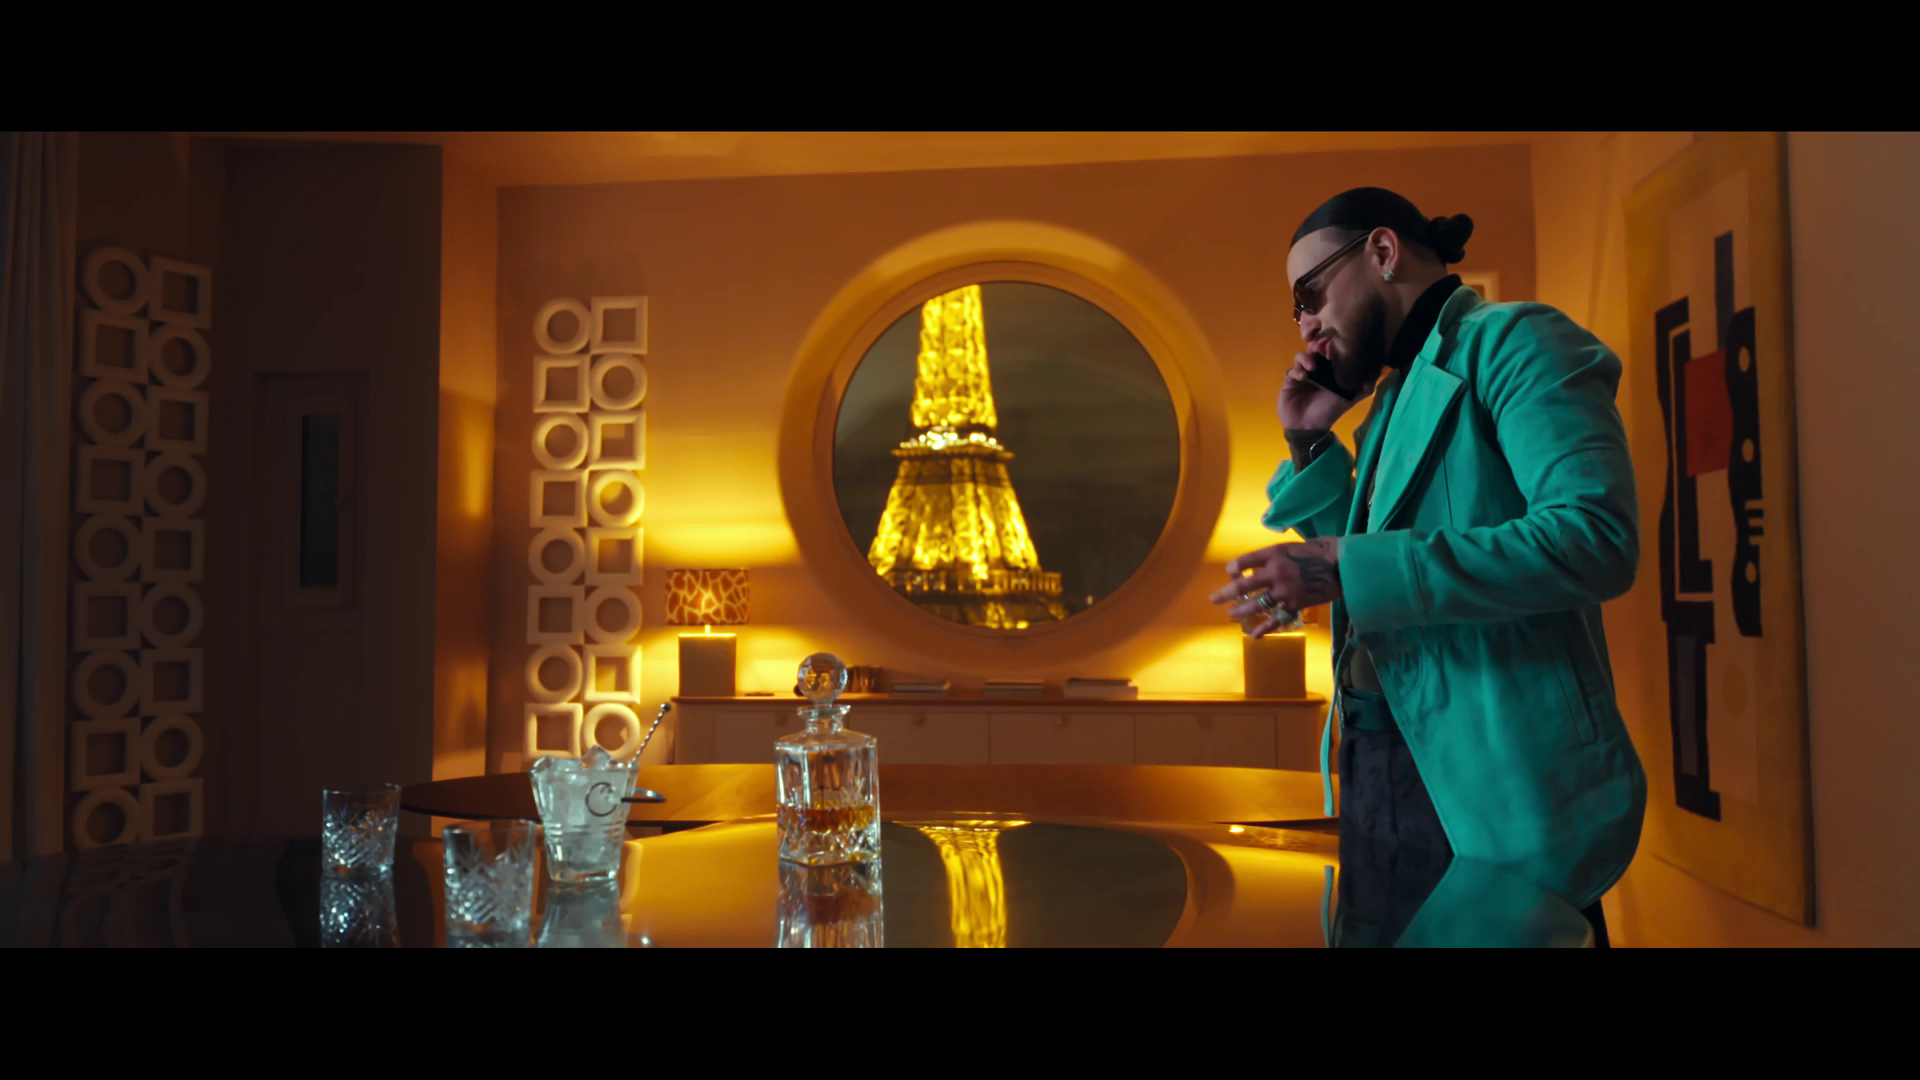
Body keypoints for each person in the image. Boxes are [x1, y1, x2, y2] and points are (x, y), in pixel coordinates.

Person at [1210, 187, 1647, 948]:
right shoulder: (1391, 398)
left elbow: (1594, 538)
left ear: (1383, 252)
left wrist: (1340, 567)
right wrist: (1309, 441)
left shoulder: (1518, 341)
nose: (1305, 324)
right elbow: (1376, 571)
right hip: (1381, 771)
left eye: (1310, 294)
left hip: (1496, 777)